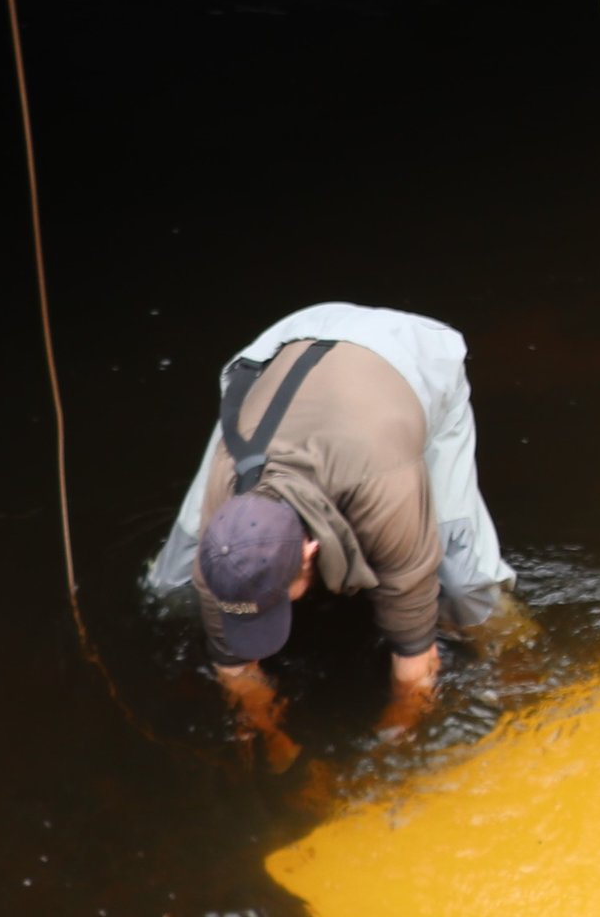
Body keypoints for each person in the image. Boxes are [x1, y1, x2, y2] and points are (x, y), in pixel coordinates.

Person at [150, 302, 518, 760]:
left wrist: (392, 741)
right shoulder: (220, 539)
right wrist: (271, 736)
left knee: (464, 584)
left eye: (277, 599)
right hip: (278, 348)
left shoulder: (386, 488)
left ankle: (522, 653)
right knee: (171, 584)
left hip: (407, 362)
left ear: (309, 554)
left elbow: (415, 657)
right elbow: (233, 663)